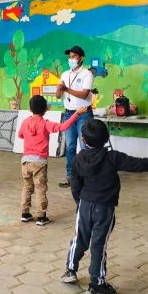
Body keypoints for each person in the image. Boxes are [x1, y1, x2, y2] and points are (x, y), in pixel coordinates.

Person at [61, 119, 148, 294]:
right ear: (107, 138)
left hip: (84, 205)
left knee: (80, 239)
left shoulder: (77, 159)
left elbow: (75, 185)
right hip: (105, 209)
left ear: (83, 140)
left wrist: (80, 203)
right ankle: (96, 285)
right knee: (99, 245)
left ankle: (70, 270)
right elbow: (140, 164)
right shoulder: (113, 157)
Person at [18, 95, 88, 226]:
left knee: (27, 187)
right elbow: (63, 127)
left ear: (29, 109)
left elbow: (20, 135)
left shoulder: (25, 122)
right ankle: (41, 216)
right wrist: (76, 114)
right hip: (39, 162)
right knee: (41, 188)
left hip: (25, 160)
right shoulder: (45, 124)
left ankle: (25, 213)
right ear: (46, 109)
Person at [55, 45, 95, 188]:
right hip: (69, 113)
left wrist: (66, 89)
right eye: (69, 57)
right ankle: (71, 177)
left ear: (81, 58)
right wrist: (59, 91)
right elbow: (59, 95)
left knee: (85, 147)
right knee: (70, 147)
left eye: (73, 57)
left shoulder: (87, 74)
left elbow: (84, 94)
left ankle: (87, 178)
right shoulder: (65, 74)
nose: (70, 59)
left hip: (83, 113)